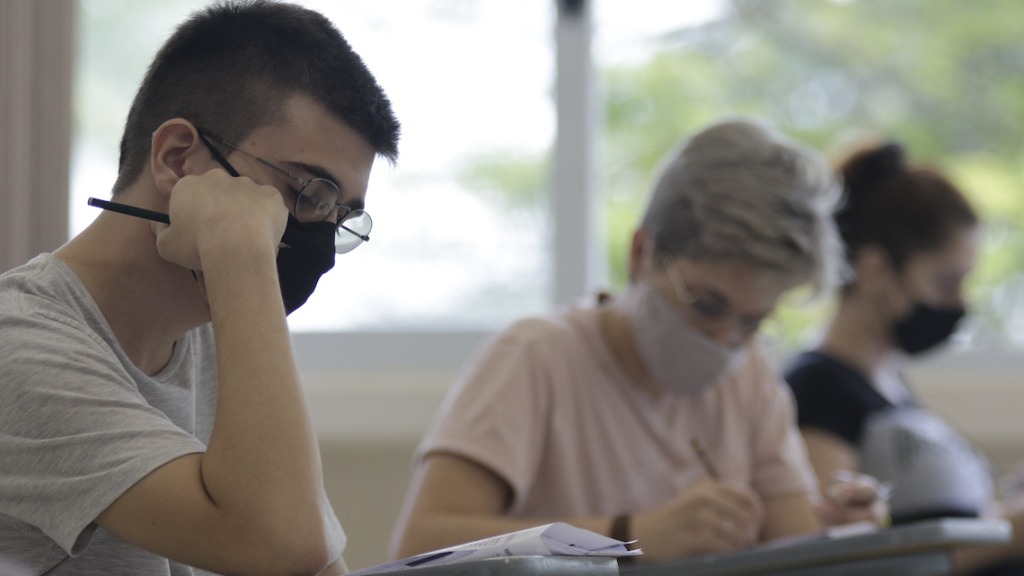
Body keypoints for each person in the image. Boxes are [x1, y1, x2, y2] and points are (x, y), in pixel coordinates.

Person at [0, 1, 400, 575]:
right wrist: (240, 256)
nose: (318, 229)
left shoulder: (217, 334)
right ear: (177, 157)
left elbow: (315, 565)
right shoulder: (18, 344)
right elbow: (279, 546)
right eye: (308, 193)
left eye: (339, 216)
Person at [389, 117, 886, 564]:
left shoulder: (751, 381)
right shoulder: (537, 358)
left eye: (753, 322)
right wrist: (629, 537)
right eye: (707, 306)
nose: (725, 342)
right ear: (643, 252)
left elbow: (794, 552)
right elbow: (420, 549)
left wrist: (842, 535)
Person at [784, 142, 1024, 575]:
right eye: (946, 281)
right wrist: (1013, 529)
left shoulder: (892, 385)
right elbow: (841, 560)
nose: (959, 302)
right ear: (875, 270)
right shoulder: (818, 388)